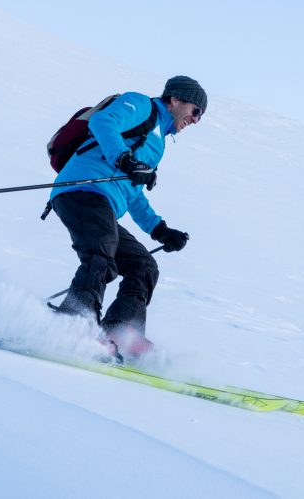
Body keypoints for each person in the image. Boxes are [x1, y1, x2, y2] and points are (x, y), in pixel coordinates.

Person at [49, 75, 207, 357]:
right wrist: (123, 159)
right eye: (196, 111)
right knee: (100, 254)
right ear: (175, 99)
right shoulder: (140, 105)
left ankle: (121, 330)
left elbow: (132, 192)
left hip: (105, 204)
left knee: (143, 265)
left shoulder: (157, 143)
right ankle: (73, 324)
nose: (196, 120)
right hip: (82, 188)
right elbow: (102, 122)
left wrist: (159, 229)